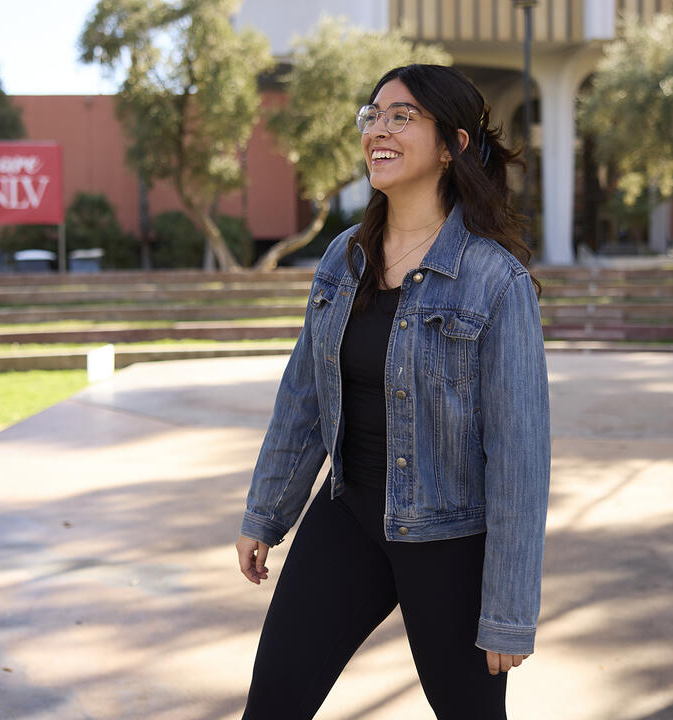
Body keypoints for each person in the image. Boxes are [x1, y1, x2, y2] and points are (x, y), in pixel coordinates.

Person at [235, 63, 551, 719]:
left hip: (449, 537)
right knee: (272, 706)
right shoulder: (343, 258)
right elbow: (303, 400)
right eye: (372, 115)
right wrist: (265, 513)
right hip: (347, 513)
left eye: (402, 116)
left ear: (452, 145)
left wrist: (509, 610)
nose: (379, 129)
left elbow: (520, 456)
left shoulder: (495, 281)